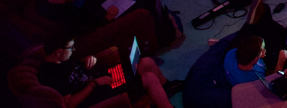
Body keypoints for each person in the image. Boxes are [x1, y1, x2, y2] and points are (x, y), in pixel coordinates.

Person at [36, 35, 180, 108]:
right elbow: (70, 104)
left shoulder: (62, 60)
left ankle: (167, 86)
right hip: (98, 94)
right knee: (148, 78)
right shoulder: (50, 75)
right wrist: (94, 84)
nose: (73, 51)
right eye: (70, 48)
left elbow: (78, 70)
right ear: (59, 51)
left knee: (145, 62)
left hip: (103, 79)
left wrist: (88, 60)